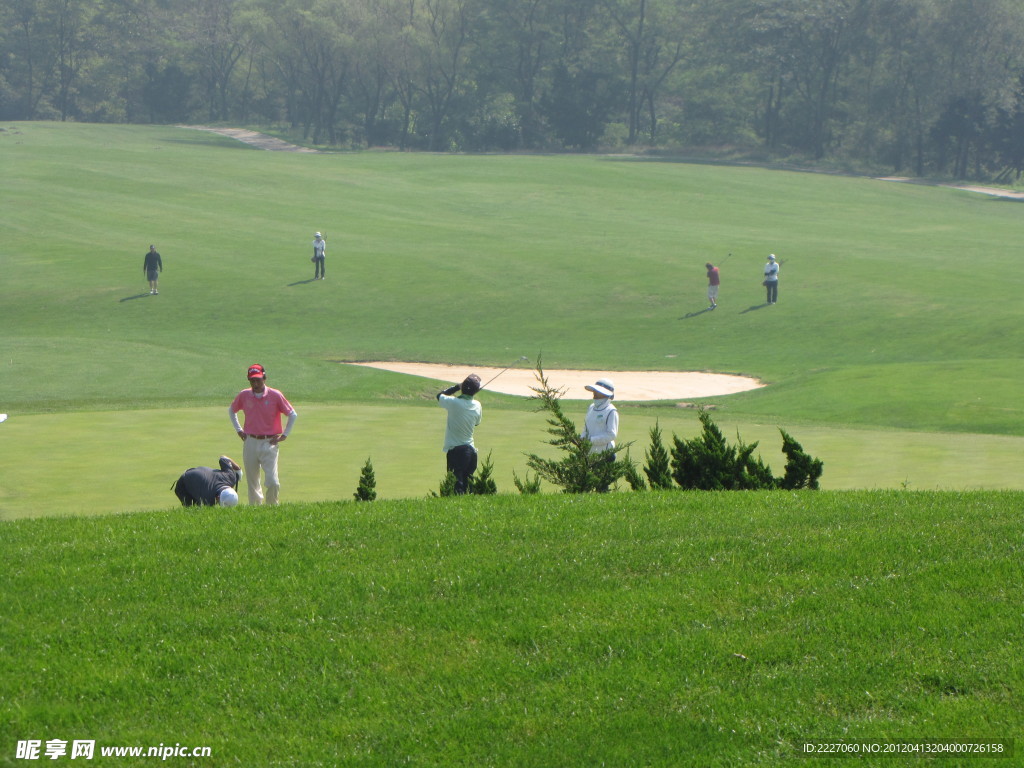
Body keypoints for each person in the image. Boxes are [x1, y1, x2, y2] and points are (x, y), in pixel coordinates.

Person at [228, 364, 298, 505]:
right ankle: (256, 510)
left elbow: (292, 414)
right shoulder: (244, 395)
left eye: (258, 380)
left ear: (264, 378)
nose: (255, 383)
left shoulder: (275, 395)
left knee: (273, 482)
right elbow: (232, 410)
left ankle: (272, 508)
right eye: (252, 380)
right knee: (252, 483)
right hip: (250, 442)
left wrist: (284, 435)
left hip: (269, 442)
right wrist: (239, 430)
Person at [436, 374, 483, 494]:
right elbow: (477, 423)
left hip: (456, 452)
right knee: (468, 488)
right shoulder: (477, 405)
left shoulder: (453, 402)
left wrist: (457, 387)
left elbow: (440, 395)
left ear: (463, 387)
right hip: (471, 453)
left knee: (456, 488)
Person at [172, 456, 242, 507]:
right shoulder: (207, 499)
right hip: (183, 484)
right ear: (218, 497)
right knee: (191, 509)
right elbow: (223, 458)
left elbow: (224, 459)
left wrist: (238, 469)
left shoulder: (231, 478)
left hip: (198, 478)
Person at [583, 378, 619, 456]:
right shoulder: (591, 407)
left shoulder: (611, 411)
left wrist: (591, 440)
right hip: (590, 452)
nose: (594, 393)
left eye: (597, 391)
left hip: (605, 454)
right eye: (594, 391)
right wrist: (582, 439)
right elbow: (586, 428)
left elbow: (611, 435)